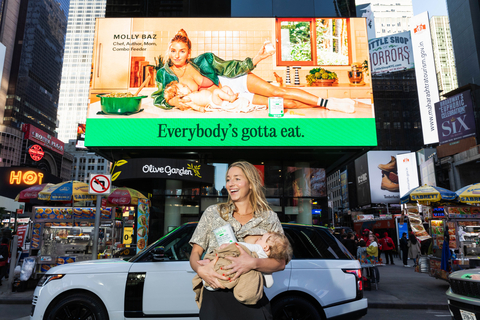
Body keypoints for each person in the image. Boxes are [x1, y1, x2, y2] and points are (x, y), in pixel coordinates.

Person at [153, 29, 356, 113]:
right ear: (169, 51)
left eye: (182, 51)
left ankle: (330, 103)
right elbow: (160, 97)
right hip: (231, 101)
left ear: (188, 52)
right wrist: (175, 102)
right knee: (280, 104)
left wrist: (258, 57)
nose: (177, 55)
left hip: (234, 83)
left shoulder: (204, 59)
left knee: (277, 92)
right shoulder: (163, 73)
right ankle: (324, 108)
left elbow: (231, 67)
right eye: (173, 51)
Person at [189, 161, 286, 319]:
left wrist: (252, 263)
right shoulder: (213, 213)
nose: (230, 184)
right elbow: (195, 253)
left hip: (251, 298)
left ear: (251, 183)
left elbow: (280, 263)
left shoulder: (269, 218)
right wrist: (200, 270)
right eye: (228, 179)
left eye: (236, 178)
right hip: (215, 299)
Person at [192, 232, 292, 306]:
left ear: (265, 247)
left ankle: (210, 262)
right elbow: (269, 284)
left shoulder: (257, 248)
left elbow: (241, 246)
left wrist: (228, 246)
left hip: (223, 284)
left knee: (226, 265)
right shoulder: (266, 263)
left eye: (261, 238)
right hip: (232, 293)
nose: (258, 239)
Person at [163, 81, 252, 113]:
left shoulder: (191, 93)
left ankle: (231, 98)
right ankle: (230, 99)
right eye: (183, 86)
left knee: (225, 88)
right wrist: (199, 109)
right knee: (217, 91)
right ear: (179, 94)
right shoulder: (186, 99)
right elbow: (193, 106)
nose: (186, 86)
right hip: (212, 101)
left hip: (214, 98)